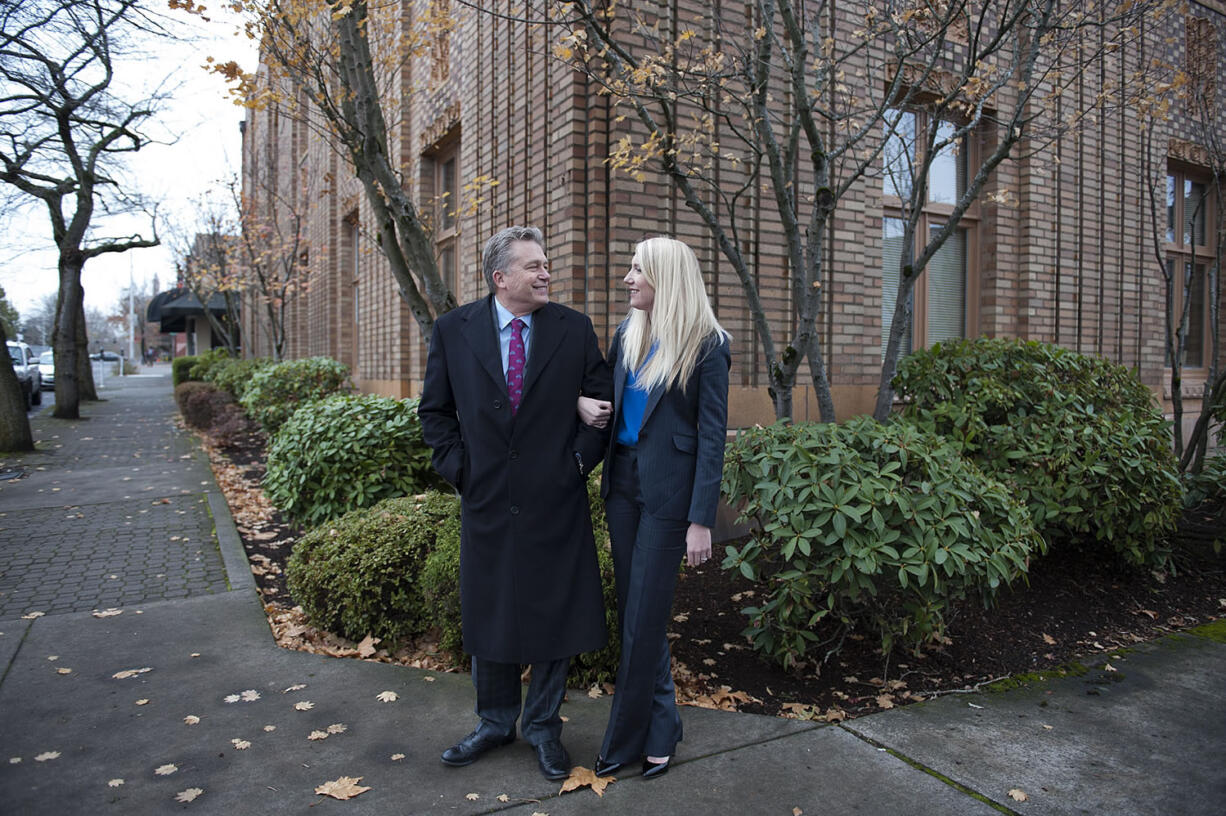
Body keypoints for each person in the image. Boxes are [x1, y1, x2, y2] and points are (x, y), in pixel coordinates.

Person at [418, 225, 613, 782]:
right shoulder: (454, 330)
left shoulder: (573, 329)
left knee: (555, 613)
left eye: (545, 263)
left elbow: (603, 403)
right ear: (500, 278)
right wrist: (462, 472)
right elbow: (435, 412)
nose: (545, 272)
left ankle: (544, 727)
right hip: (487, 502)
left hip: (556, 499)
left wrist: (577, 465)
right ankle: (494, 722)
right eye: (533, 265)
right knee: (491, 612)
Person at [577, 236, 731, 779]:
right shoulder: (627, 333)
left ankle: (620, 743)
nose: (628, 278)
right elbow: (608, 400)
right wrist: (579, 403)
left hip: (669, 500)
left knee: (643, 620)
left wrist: (701, 518)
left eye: (637, 269)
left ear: (665, 276)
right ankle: (663, 726)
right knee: (637, 616)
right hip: (622, 490)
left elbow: (713, 436)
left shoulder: (708, 344)